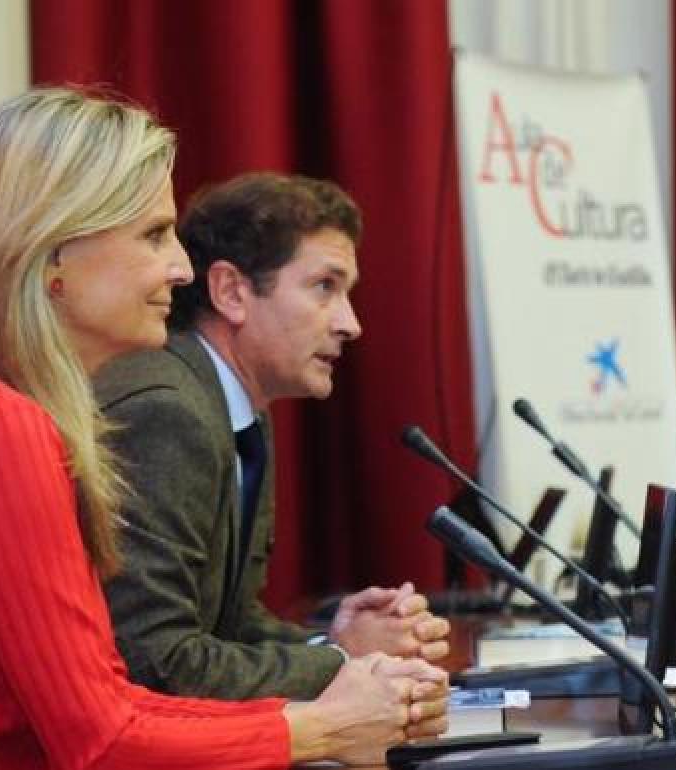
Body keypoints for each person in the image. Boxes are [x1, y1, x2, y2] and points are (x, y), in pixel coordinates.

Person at [0, 89, 447, 769]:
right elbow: (103, 739)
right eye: (152, 235)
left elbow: (112, 699)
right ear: (51, 257)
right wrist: (322, 728)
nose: (180, 267)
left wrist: (324, 707)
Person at [95, 173, 452, 701]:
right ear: (232, 292)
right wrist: (340, 663)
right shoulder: (168, 412)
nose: (351, 324)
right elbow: (155, 661)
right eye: (324, 287)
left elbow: (229, 623)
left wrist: (336, 642)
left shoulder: (238, 409)